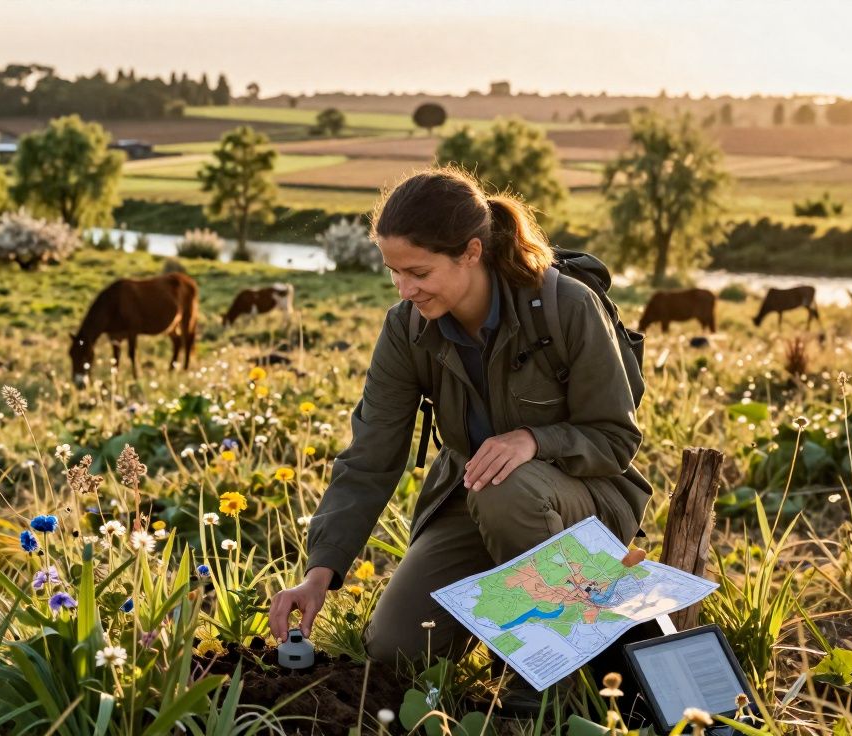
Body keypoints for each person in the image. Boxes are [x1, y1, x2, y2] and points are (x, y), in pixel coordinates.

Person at [268, 168, 652, 666]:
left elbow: (615, 439)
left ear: (471, 252)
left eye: (419, 273)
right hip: (472, 498)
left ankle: (545, 674)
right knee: (396, 651)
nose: (404, 289)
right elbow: (370, 456)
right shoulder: (406, 329)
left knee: (505, 490)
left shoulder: (567, 307)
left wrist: (534, 440)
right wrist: (319, 571)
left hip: (583, 500)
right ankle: (525, 620)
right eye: (393, 271)